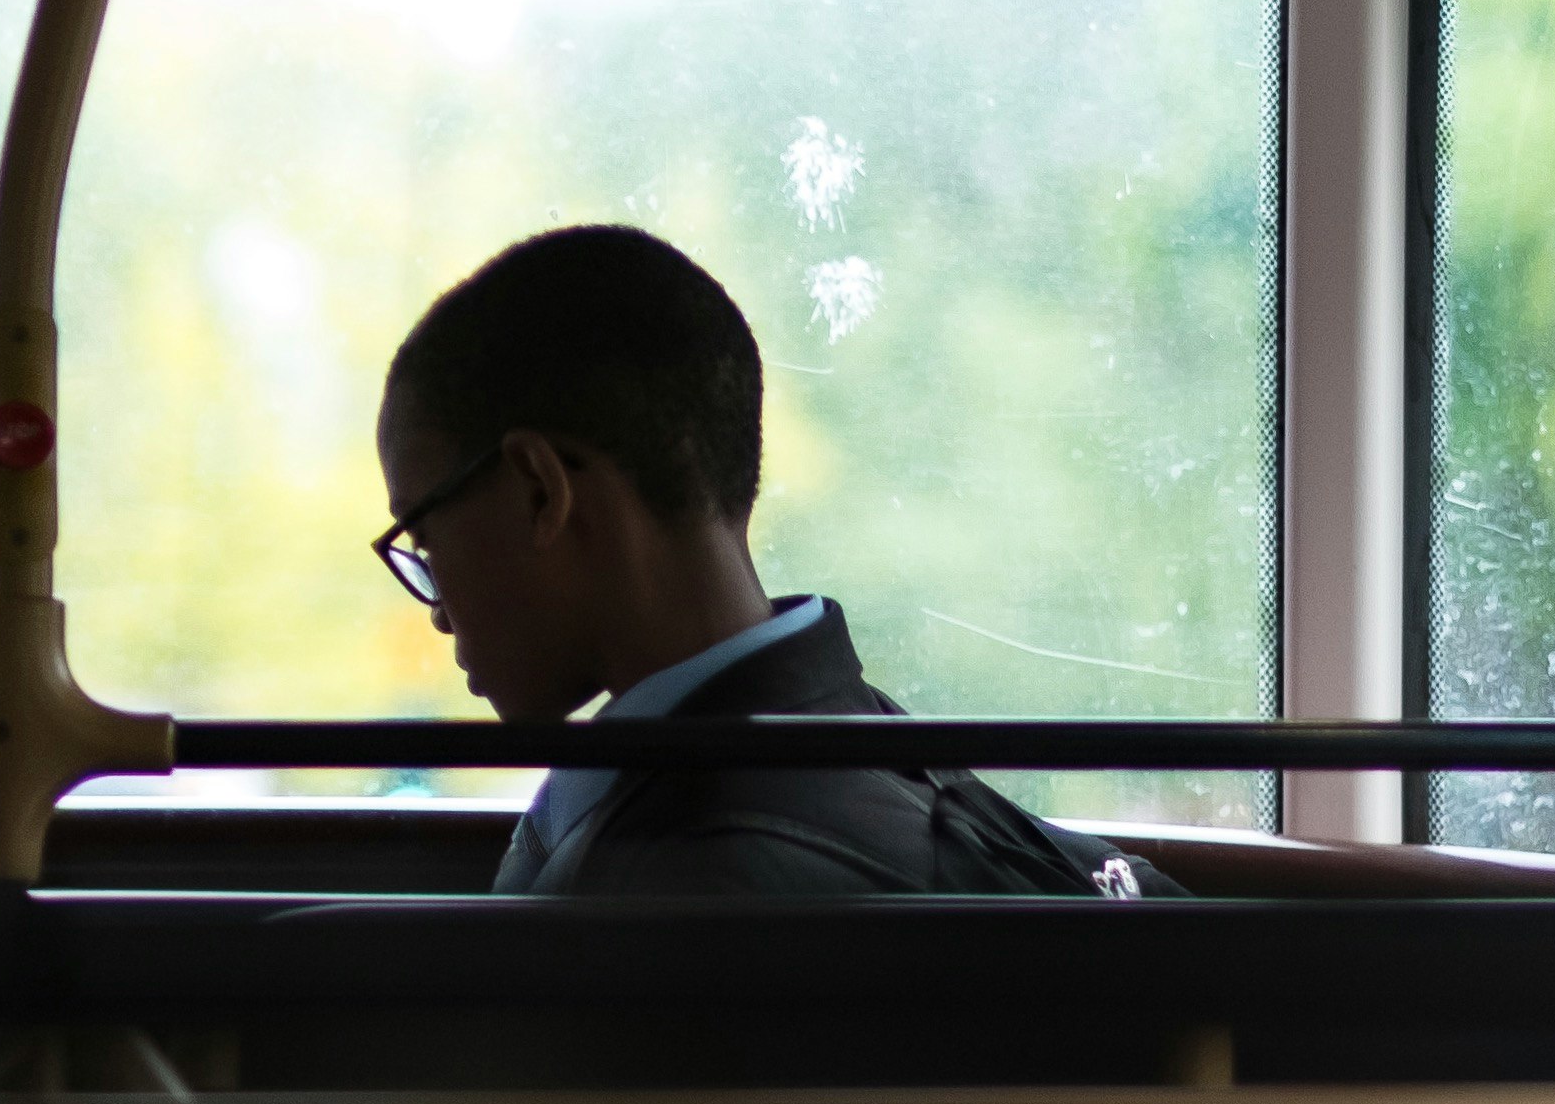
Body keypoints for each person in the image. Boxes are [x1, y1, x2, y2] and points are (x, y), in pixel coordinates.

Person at [372, 221, 1149, 899]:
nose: (437, 610)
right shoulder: (866, 745)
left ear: (542, 493)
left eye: (428, 542)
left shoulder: (676, 889)